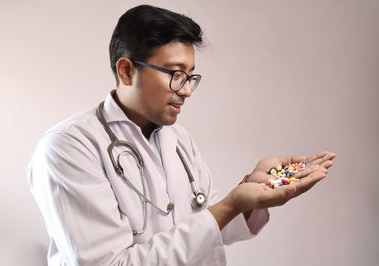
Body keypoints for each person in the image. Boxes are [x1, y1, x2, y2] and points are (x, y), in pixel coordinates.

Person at [27, 4, 336, 266]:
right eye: (175, 74)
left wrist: (253, 192)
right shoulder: (68, 147)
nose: (186, 90)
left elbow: (212, 227)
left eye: (190, 77)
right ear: (126, 71)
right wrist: (230, 205)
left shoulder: (177, 139)